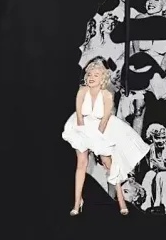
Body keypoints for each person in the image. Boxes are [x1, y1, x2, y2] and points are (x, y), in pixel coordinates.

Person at [61, 59, 150, 216]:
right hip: (83, 128)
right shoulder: (82, 92)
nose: (91, 77)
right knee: (82, 164)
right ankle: (77, 203)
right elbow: (79, 116)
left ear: (102, 78)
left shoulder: (107, 95)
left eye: (96, 75)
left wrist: (97, 140)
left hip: (101, 130)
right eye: (89, 74)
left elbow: (105, 120)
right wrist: (84, 136)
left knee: (109, 166)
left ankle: (120, 202)